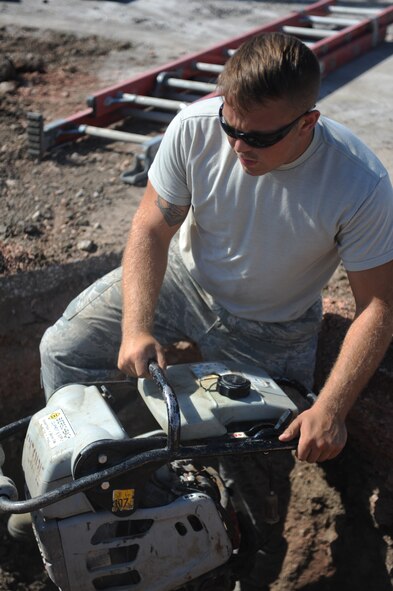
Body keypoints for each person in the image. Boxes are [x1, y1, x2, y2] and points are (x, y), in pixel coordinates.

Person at [11, 32, 393, 588]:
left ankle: (244, 562)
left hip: (274, 328)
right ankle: (87, 499)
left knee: (257, 478)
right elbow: (151, 226)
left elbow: (378, 306)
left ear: (307, 122)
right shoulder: (195, 126)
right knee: (64, 350)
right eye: (231, 128)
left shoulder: (358, 183)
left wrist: (331, 408)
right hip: (183, 283)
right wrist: (137, 327)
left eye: (259, 138)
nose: (240, 149)